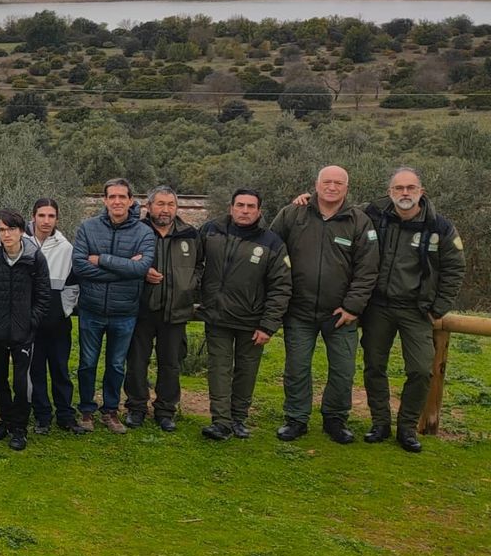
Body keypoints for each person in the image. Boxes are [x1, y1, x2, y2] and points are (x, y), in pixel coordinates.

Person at [358, 167, 464, 453]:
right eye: (398, 188)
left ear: (421, 192)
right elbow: (336, 211)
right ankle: (380, 423)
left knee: (420, 370)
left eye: (410, 188)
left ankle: (406, 429)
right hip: (377, 306)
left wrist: (439, 307)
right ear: (389, 192)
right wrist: (305, 200)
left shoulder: (440, 227)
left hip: (416, 310)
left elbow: (455, 269)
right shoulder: (373, 215)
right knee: (374, 366)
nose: (405, 193)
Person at [271, 166, 377, 444]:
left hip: (341, 314)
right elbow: (272, 250)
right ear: (316, 184)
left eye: (338, 183)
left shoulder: (359, 221)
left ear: (347, 186)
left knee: (343, 370)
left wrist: (353, 307)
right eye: (327, 182)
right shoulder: (292, 213)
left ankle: (335, 418)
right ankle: (296, 418)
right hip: (299, 310)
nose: (332, 187)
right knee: (296, 367)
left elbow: (368, 269)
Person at [196, 189, 291, 441]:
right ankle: (221, 422)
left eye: (251, 206)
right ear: (231, 207)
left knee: (246, 372)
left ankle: (238, 418)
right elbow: (191, 263)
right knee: (219, 369)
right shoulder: (210, 231)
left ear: (259, 211)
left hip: (252, 321)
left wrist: (269, 325)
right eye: (240, 205)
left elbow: (281, 287)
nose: (245, 210)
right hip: (216, 316)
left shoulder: (272, 242)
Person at [71, 178, 155, 434]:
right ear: (105, 200)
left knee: (117, 365)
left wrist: (103, 260)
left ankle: (110, 410)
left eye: (122, 197)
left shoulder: (144, 232)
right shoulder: (88, 228)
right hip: (91, 309)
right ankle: (86, 410)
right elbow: (80, 267)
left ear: (130, 201)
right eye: (112, 197)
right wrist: (125, 268)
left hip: (125, 312)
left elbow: (141, 268)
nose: (117, 201)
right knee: (87, 363)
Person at [0, 209, 54, 451]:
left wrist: (31, 321)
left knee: (21, 383)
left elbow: (43, 295)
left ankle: (19, 427)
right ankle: (5, 421)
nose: (6, 234)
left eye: (11, 229)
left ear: (21, 231)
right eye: (1, 230)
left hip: (23, 333)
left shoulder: (35, 258)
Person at [124, 186, 199, 433]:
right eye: (160, 204)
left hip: (176, 310)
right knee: (136, 362)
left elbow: (201, 266)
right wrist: (141, 272)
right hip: (142, 309)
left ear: (176, 208)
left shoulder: (190, 234)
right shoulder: (136, 232)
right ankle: (136, 407)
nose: (165, 209)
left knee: (171, 364)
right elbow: (123, 262)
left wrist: (190, 285)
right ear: (149, 207)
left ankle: (166, 411)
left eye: (170, 204)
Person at [28, 199, 81, 435]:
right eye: (42, 216)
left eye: (51, 216)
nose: (46, 221)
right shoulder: (23, 244)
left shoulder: (66, 247)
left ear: (57, 219)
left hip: (58, 322)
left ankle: (65, 415)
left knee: (60, 369)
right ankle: (42, 416)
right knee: (35, 369)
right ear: (34, 217)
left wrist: (64, 310)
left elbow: (73, 285)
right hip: (31, 321)